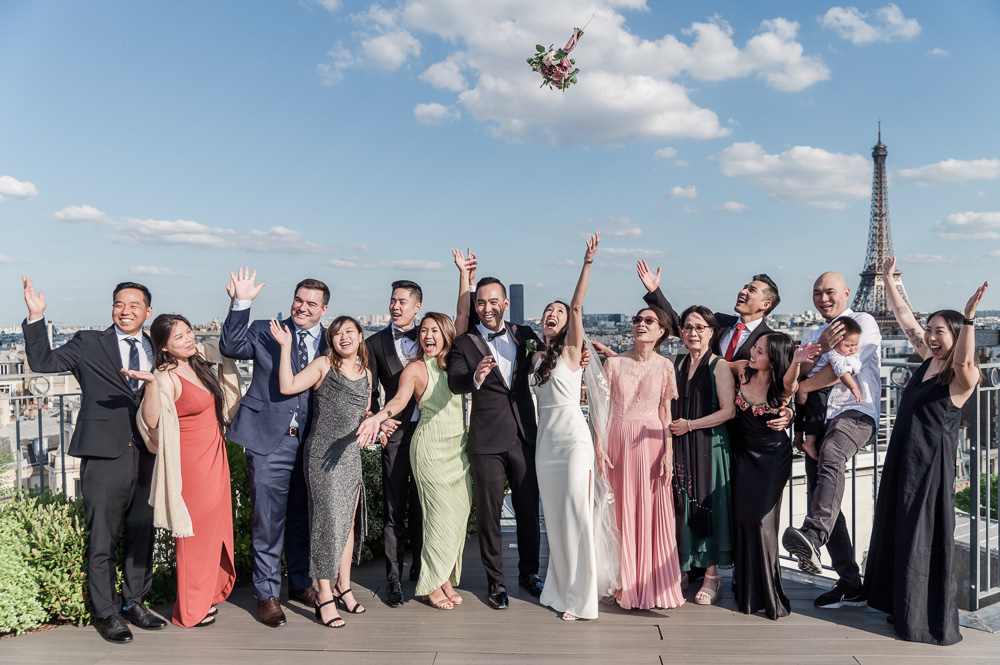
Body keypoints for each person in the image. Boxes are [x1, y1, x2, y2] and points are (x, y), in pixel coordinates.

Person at [20, 276, 167, 644]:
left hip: (149, 451)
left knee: (141, 533)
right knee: (103, 535)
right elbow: (42, 362)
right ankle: (106, 612)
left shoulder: (157, 347)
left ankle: (135, 602)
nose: (126, 310)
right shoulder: (89, 342)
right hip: (104, 452)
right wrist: (36, 317)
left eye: (134, 305)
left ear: (148, 312)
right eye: (119, 303)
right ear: (112, 308)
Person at [864, 257, 987, 646]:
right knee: (900, 534)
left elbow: (966, 357)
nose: (930, 337)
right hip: (904, 460)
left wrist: (968, 319)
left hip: (929, 467)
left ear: (955, 335)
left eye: (940, 332)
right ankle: (901, 609)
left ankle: (921, 620)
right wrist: (888, 280)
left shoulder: (961, 376)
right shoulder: (927, 362)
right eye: (929, 330)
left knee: (921, 539)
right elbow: (903, 318)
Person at [356, 251, 476, 611]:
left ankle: (428, 573)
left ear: (417, 307)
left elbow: (462, 317)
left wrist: (465, 278)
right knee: (395, 512)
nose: (395, 306)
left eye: (402, 301)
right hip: (398, 436)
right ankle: (394, 580)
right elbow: (375, 389)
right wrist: (376, 417)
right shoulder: (375, 343)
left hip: (444, 443)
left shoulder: (448, 352)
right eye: (391, 301)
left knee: (433, 512)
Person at [220, 270, 327, 626]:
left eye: (312, 303)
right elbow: (231, 346)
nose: (302, 307)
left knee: (301, 518)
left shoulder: (330, 341)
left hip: (311, 442)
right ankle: (267, 594)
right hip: (268, 439)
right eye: (299, 300)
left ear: (323, 310)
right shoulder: (268, 329)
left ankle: (299, 583)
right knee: (267, 520)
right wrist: (242, 303)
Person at [125, 314, 242, 628]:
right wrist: (150, 383)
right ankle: (189, 609)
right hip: (191, 462)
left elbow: (229, 346)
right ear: (163, 346)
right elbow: (151, 421)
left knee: (215, 528)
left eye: (189, 332)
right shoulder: (163, 375)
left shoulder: (198, 360)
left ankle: (205, 595)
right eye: (179, 337)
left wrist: (237, 303)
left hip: (214, 452)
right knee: (193, 533)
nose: (188, 339)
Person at [781, 272, 880, 610]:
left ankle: (812, 535)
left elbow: (845, 367)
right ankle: (850, 584)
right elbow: (797, 377)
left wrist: (808, 384)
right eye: (817, 292)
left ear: (847, 293)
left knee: (833, 453)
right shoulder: (813, 334)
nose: (823, 298)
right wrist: (819, 350)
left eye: (830, 292)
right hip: (817, 422)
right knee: (825, 494)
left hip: (855, 412)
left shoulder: (862, 322)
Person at [446, 276, 545, 609]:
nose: (487, 308)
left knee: (529, 510)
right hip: (486, 438)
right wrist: (476, 377)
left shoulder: (525, 334)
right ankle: (496, 582)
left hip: (523, 434)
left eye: (493, 302)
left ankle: (529, 574)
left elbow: (542, 362)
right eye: (481, 303)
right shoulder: (464, 342)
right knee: (489, 515)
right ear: (475, 307)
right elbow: (456, 382)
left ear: (505, 303)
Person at [272, 315, 373, 628]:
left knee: (348, 523)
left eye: (349, 332)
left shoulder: (367, 373)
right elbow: (287, 385)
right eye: (337, 333)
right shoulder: (323, 366)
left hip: (350, 455)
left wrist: (377, 423)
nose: (343, 338)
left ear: (360, 336)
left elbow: (364, 414)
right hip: (323, 456)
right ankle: (324, 595)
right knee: (327, 523)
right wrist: (286, 347)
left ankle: (345, 587)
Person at [532, 233, 602, 621]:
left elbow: (577, 305)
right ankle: (558, 589)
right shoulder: (536, 358)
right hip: (546, 446)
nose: (554, 314)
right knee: (555, 521)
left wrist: (587, 261)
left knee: (577, 514)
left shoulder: (574, 351)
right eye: (548, 311)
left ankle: (581, 597)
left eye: (557, 311)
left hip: (575, 442)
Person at [600, 306, 684, 610]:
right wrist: (599, 448)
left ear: (661, 331)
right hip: (617, 438)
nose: (641, 324)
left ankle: (650, 583)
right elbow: (601, 412)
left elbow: (665, 413)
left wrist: (668, 453)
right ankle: (624, 581)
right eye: (637, 319)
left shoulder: (665, 366)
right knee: (619, 509)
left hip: (651, 442)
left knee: (650, 510)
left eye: (649, 321)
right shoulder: (613, 363)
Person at [728, 333, 816, 619]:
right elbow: (714, 363)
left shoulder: (781, 385)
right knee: (742, 518)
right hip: (742, 455)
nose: (753, 353)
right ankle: (745, 590)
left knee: (762, 521)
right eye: (754, 347)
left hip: (771, 460)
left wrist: (797, 363)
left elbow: (791, 384)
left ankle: (768, 593)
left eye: (761, 351)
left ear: (774, 357)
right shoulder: (741, 371)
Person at [667, 305, 736, 606]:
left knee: (709, 507)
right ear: (680, 331)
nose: (693, 333)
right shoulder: (674, 361)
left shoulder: (718, 365)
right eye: (687, 327)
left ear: (711, 331)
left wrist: (690, 425)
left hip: (709, 444)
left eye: (700, 327)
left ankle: (712, 575)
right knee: (681, 504)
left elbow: (728, 410)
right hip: (681, 442)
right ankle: (682, 567)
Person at [636, 260, 779, 363]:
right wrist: (655, 292)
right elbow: (678, 326)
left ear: (765, 304)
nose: (742, 292)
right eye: (744, 287)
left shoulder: (770, 338)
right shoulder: (720, 321)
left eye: (751, 290)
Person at [793, 316, 863, 460]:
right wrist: (853, 387)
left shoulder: (831, 350)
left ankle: (798, 436)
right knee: (816, 412)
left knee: (801, 413)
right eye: (848, 346)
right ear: (835, 343)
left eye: (855, 345)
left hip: (805, 382)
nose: (853, 349)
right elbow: (842, 372)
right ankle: (810, 442)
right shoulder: (835, 355)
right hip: (815, 386)